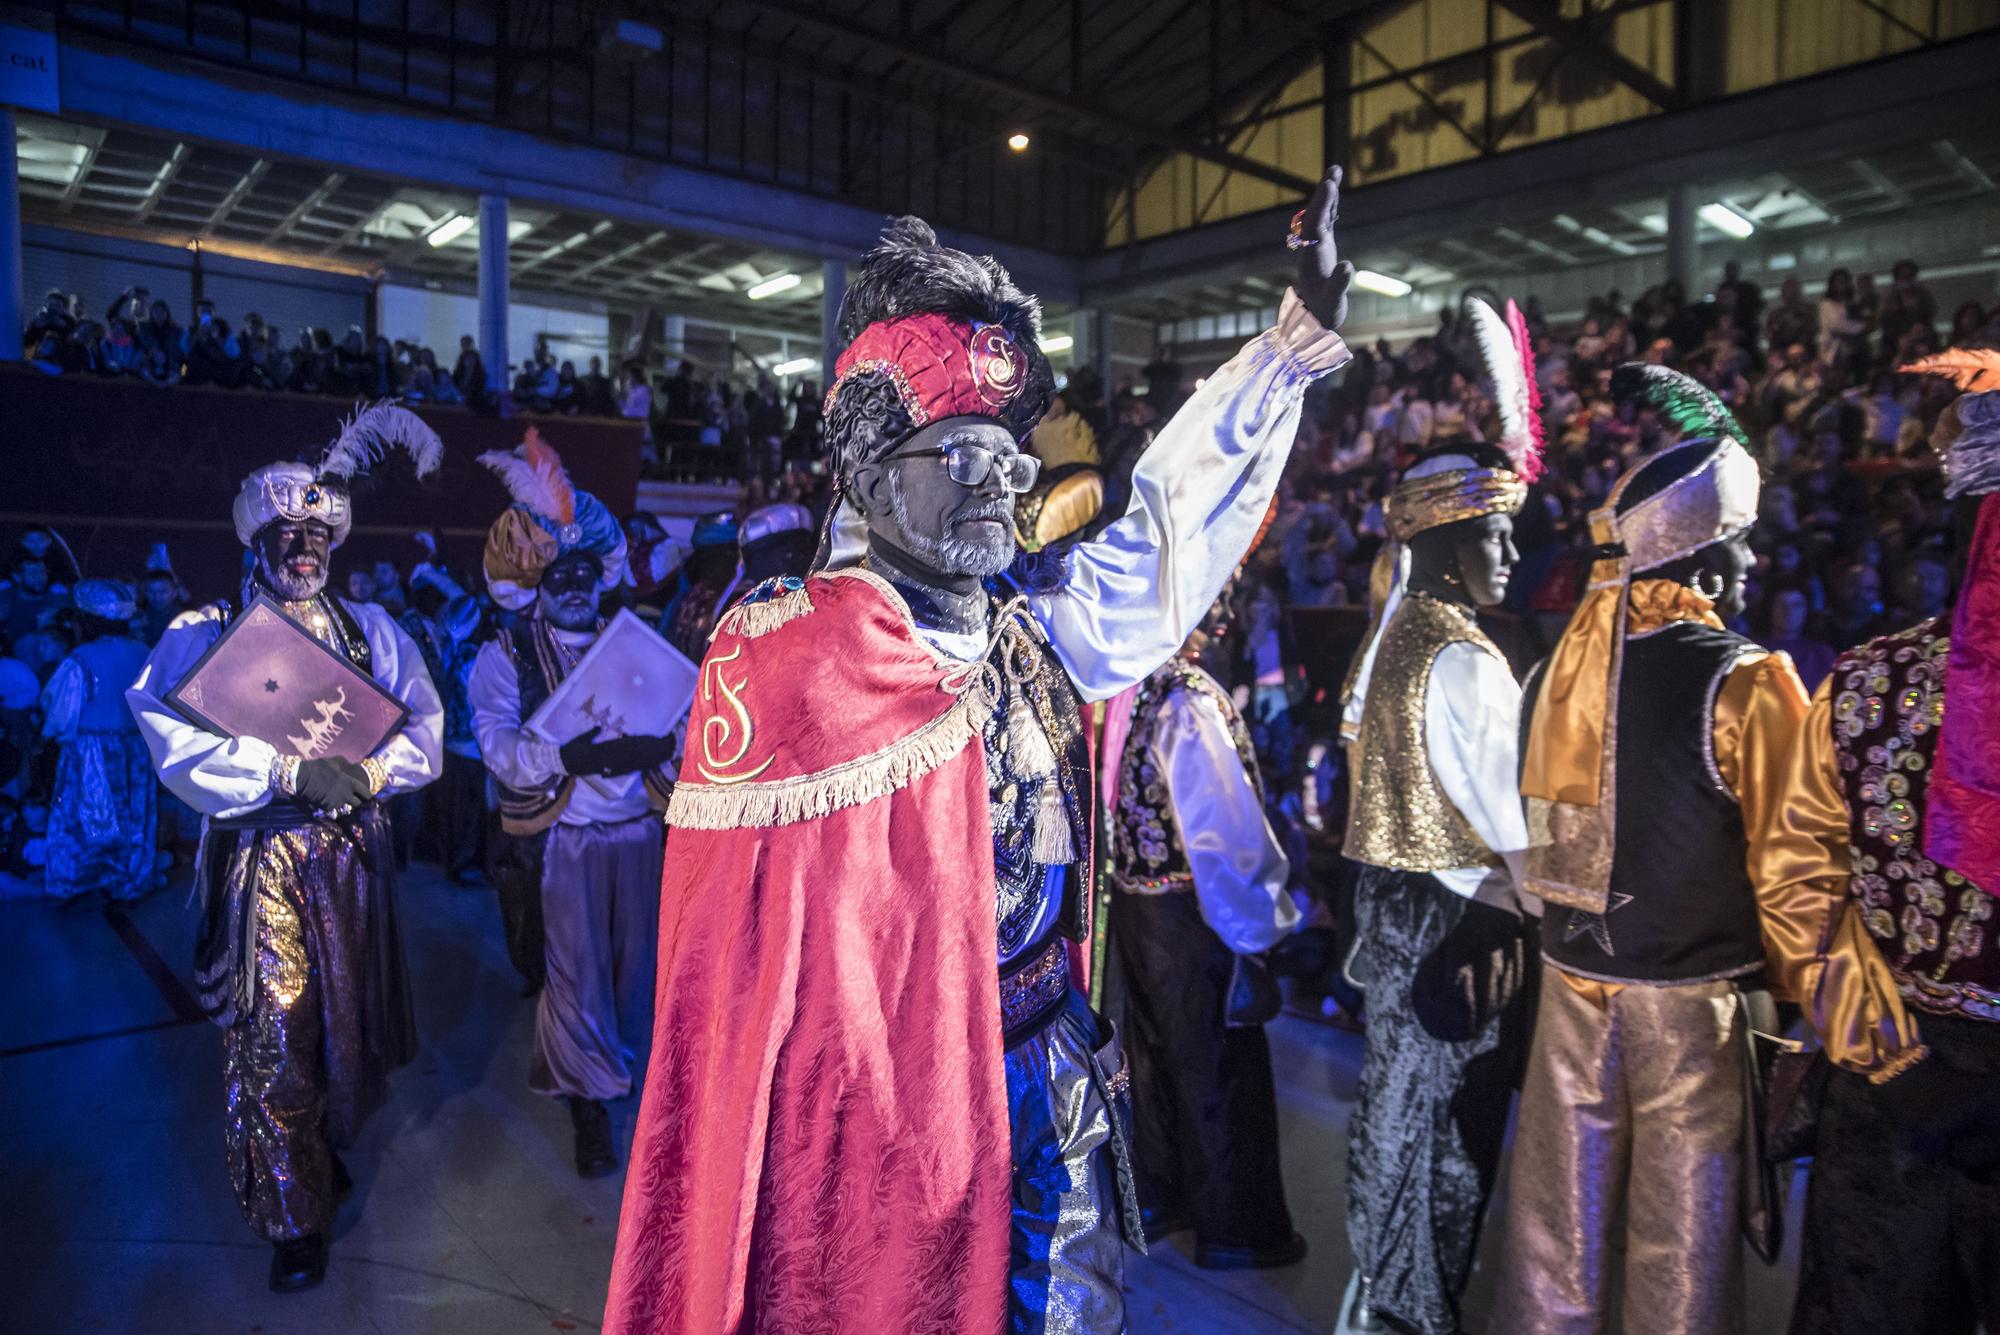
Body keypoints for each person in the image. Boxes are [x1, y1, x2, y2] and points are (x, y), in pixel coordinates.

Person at [603, 171, 1354, 1334]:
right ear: (866, 471)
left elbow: (1160, 538)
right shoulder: (787, 658)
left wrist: (1285, 350)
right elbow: (744, 990)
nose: (1000, 474)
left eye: (1003, 449)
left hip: (1052, 1068)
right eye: (957, 450)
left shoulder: (1025, 625)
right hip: (883, 1122)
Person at [1495, 366, 1811, 1335]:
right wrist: (1816, 1006)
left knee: (1556, 1235)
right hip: (1690, 1010)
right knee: (1681, 1247)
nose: (1752, 572)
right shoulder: (1748, 682)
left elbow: (1524, 849)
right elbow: (1795, 873)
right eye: (1740, 551)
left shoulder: (1554, 672)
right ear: (1705, 569)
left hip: (1567, 987)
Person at [124, 407, 445, 1293]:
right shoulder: (207, 631)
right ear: (258, 538)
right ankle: (293, 1218)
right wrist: (284, 771)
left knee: (347, 1034)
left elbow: (425, 729)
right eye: (286, 533)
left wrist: (371, 778)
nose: (302, 547)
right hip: (264, 863)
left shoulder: (373, 629)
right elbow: (164, 731)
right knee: (274, 1037)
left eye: (316, 532)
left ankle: (318, 1154)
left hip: (351, 862)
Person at [1754, 350, 2000, 1335]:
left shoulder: (1858, 682)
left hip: (1886, 1085)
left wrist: (1894, 1066)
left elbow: (1793, 885)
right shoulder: (1859, 682)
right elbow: (1795, 879)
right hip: (1889, 1088)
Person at [1337, 297, 1543, 1335]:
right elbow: (1513, 830)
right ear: (1447, 542)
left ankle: (1384, 1294)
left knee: (1391, 1124)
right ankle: (1414, 1308)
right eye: (1491, 536)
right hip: (1452, 933)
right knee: (1444, 1143)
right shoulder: (1465, 658)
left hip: (1386, 914)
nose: (1506, 558)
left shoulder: (1387, 637)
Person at [470, 431, 677, 1176]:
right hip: (566, 844)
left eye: (590, 568)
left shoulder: (641, 639)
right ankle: (588, 1105)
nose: (579, 582)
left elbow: (684, 722)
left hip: (642, 835)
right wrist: (569, 755)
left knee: (637, 973)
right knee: (576, 976)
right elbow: (495, 744)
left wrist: (666, 750)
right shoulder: (507, 656)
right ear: (536, 576)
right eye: (563, 570)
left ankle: (633, 1081)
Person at [1110, 594, 1304, 1270]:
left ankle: (1166, 1197)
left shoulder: (1129, 683)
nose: (1223, 616)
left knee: (1159, 1056)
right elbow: (1223, 836)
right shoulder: (1188, 699)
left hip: (1139, 907)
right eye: (1205, 599)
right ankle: (1233, 1227)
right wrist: (1258, 927)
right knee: (1218, 1067)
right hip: (1195, 913)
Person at [39, 579, 156, 903]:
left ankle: (80, 880)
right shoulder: (144, 653)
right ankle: (129, 878)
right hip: (136, 748)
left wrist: (49, 736)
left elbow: (60, 710)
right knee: (133, 814)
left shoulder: (81, 658)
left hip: (91, 750)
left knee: (84, 814)